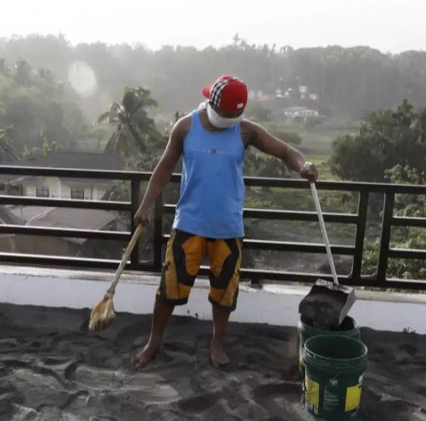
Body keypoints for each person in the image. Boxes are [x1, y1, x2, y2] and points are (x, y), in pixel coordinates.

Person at [132, 75, 318, 368]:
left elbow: (285, 151)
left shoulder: (245, 131)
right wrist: (145, 206)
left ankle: (216, 343)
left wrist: (302, 166)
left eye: (236, 115)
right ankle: (154, 341)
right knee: (169, 289)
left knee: (224, 293)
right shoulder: (186, 127)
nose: (230, 120)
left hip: (228, 228)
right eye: (226, 114)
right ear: (212, 102)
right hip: (189, 224)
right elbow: (164, 167)